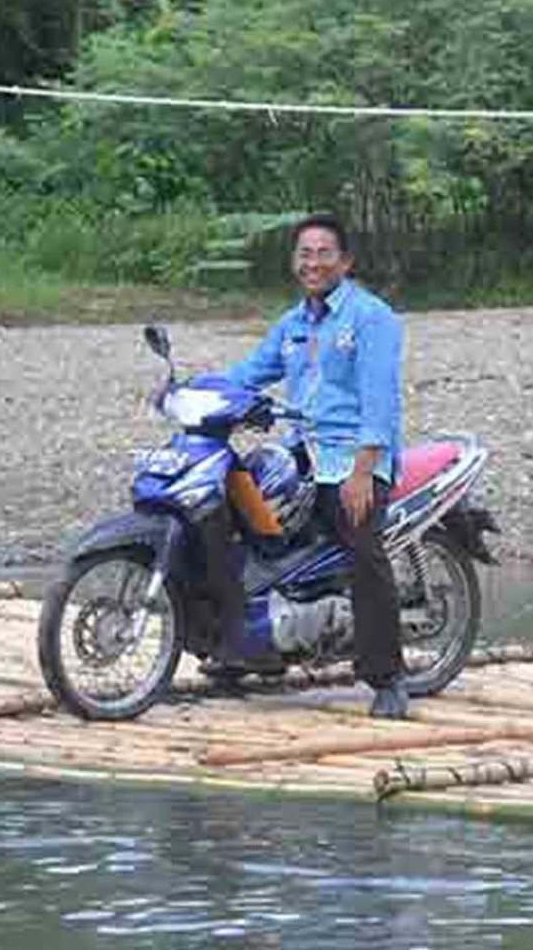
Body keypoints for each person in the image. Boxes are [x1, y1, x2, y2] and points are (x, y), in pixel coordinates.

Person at [223, 213, 410, 719]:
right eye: (305, 253)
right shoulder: (293, 323)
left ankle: (387, 676)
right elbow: (248, 373)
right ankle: (241, 648)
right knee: (236, 524)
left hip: (352, 457)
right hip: (300, 451)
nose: (313, 262)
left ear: (345, 261)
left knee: (363, 551)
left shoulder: (370, 317)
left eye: (324, 253)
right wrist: (195, 391)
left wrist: (364, 471)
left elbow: (381, 401)